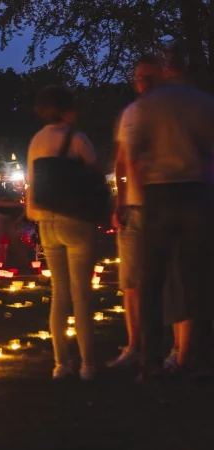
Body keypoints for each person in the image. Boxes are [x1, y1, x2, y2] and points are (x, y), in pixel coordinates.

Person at [131, 42, 214, 379]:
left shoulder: (149, 106)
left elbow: (136, 154)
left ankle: (150, 360)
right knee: (198, 278)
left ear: (166, 71)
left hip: (160, 193)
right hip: (196, 191)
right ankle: (200, 359)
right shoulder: (204, 104)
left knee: (153, 279)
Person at [26, 85, 97, 381]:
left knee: (59, 293)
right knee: (81, 295)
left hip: (46, 222)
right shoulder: (77, 140)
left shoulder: (36, 141)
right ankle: (88, 364)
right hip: (75, 219)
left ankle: (61, 363)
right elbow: (94, 175)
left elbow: (32, 182)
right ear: (66, 110)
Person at [107, 55, 162, 368]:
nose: (144, 83)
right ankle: (134, 345)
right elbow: (121, 161)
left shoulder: (171, 113)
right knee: (130, 280)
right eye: (140, 77)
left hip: (165, 204)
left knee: (172, 280)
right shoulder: (130, 114)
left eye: (150, 77)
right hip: (134, 207)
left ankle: (177, 349)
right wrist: (120, 202)